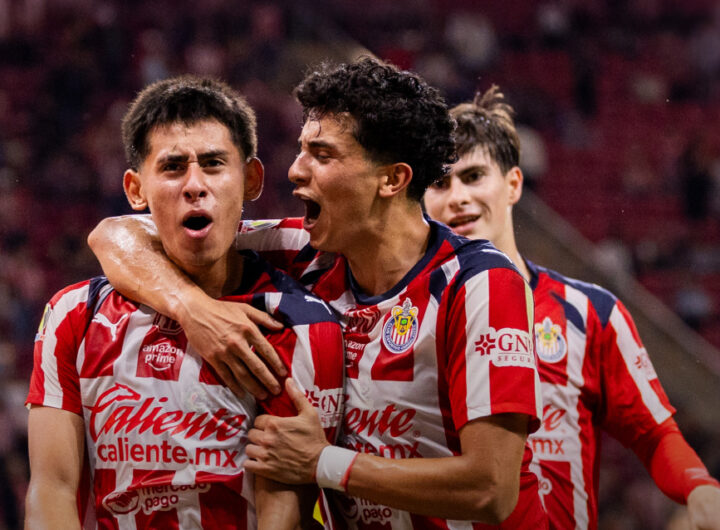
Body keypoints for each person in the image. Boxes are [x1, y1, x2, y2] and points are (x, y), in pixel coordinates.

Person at [88, 57, 548, 528]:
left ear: (392, 179)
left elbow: (490, 489)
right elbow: (116, 234)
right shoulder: (305, 251)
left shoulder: (480, 283)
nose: (294, 170)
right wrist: (193, 309)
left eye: (321, 155)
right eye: (301, 150)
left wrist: (322, 462)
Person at [25, 75, 345, 529]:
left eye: (213, 164)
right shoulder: (74, 314)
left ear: (251, 179)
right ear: (135, 190)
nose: (195, 185)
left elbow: (283, 510)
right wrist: (193, 307)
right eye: (173, 167)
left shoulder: (298, 318)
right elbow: (52, 490)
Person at [422, 85, 720, 530]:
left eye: (474, 176)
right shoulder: (407, 320)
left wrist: (699, 488)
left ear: (513, 184)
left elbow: (654, 434)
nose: (458, 196)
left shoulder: (590, 312)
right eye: (441, 183)